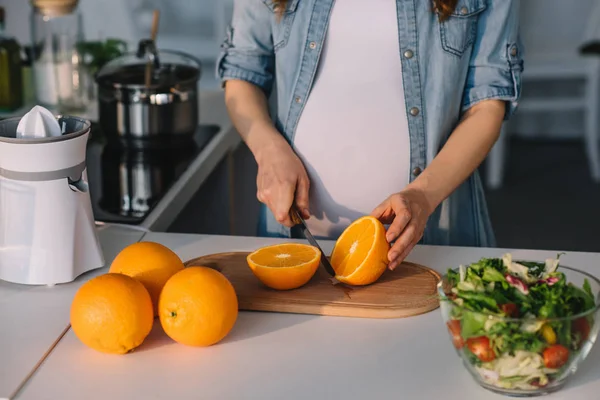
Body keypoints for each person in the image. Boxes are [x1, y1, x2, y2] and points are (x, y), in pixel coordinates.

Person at [217, 0, 523, 270]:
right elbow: (243, 73)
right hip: (292, 240)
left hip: (433, 237)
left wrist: (423, 196)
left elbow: (487, 105)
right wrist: (268, 151)